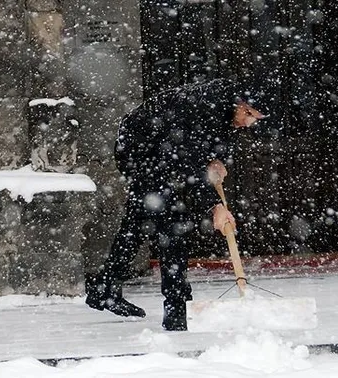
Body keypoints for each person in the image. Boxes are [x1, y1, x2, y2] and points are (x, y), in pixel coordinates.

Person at [85, 78, 266, 331]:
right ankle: (176, 309)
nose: (249, 123)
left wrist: (216, 159)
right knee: (173, 221)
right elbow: (187, 164)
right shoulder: (204, 108)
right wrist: (215, 206)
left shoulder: (224, 109)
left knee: (140, 221)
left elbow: (209, 142)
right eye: (248, 114)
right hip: (143, 149)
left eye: (256, 118)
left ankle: (104, 287)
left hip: (163, 149)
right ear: (239, 104)